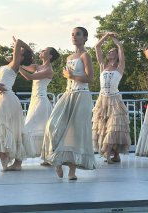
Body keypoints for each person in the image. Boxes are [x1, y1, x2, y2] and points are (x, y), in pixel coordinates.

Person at [42, 27, 97, 180]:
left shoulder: (86, 56)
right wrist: (69, 77)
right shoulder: (69, 57)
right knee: (52, 125)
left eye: (78, 34)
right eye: (72, 34)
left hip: (82, 95)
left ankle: (72, 171)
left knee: (75, 133)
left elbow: (90, 78)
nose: (74, 37)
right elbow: (69, 77)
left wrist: (72, 75)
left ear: (85, 38)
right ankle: (57, 161)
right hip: (68, 94)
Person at [0, 37, 33, 171]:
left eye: (18, 52)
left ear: (21, 57)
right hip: (0, 100)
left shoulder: (15, 65)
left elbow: (19, 42)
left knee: (13, 130)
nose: (15, 52)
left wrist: (23, 46)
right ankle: (5, 160)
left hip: (7, 100)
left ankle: (17, 163)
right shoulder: (4, 67)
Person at [7, 47, 60, 170]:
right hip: (35, 101)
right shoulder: (37, 66)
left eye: (44, 51)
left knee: (27, 129)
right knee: (44, 130)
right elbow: (25, 66)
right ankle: (48, 158)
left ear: (50, 56)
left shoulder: (48, 70)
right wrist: (16, 58)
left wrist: (18, 67)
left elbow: (29, 77)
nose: (41, 51)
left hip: (41, 102)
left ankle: (18, 163)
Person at [92, 32, 131, 164]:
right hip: (102, 100)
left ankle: (110, 154)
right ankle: (114, 155)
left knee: (114, 127)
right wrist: (106, 35)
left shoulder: (120, 67)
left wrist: (114, 38)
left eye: (113, 51)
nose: (110, 52)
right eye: (109, 51)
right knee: (103, 126)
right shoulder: (102, 65)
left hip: (115, 100)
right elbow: (97, 47)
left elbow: (120, 47)